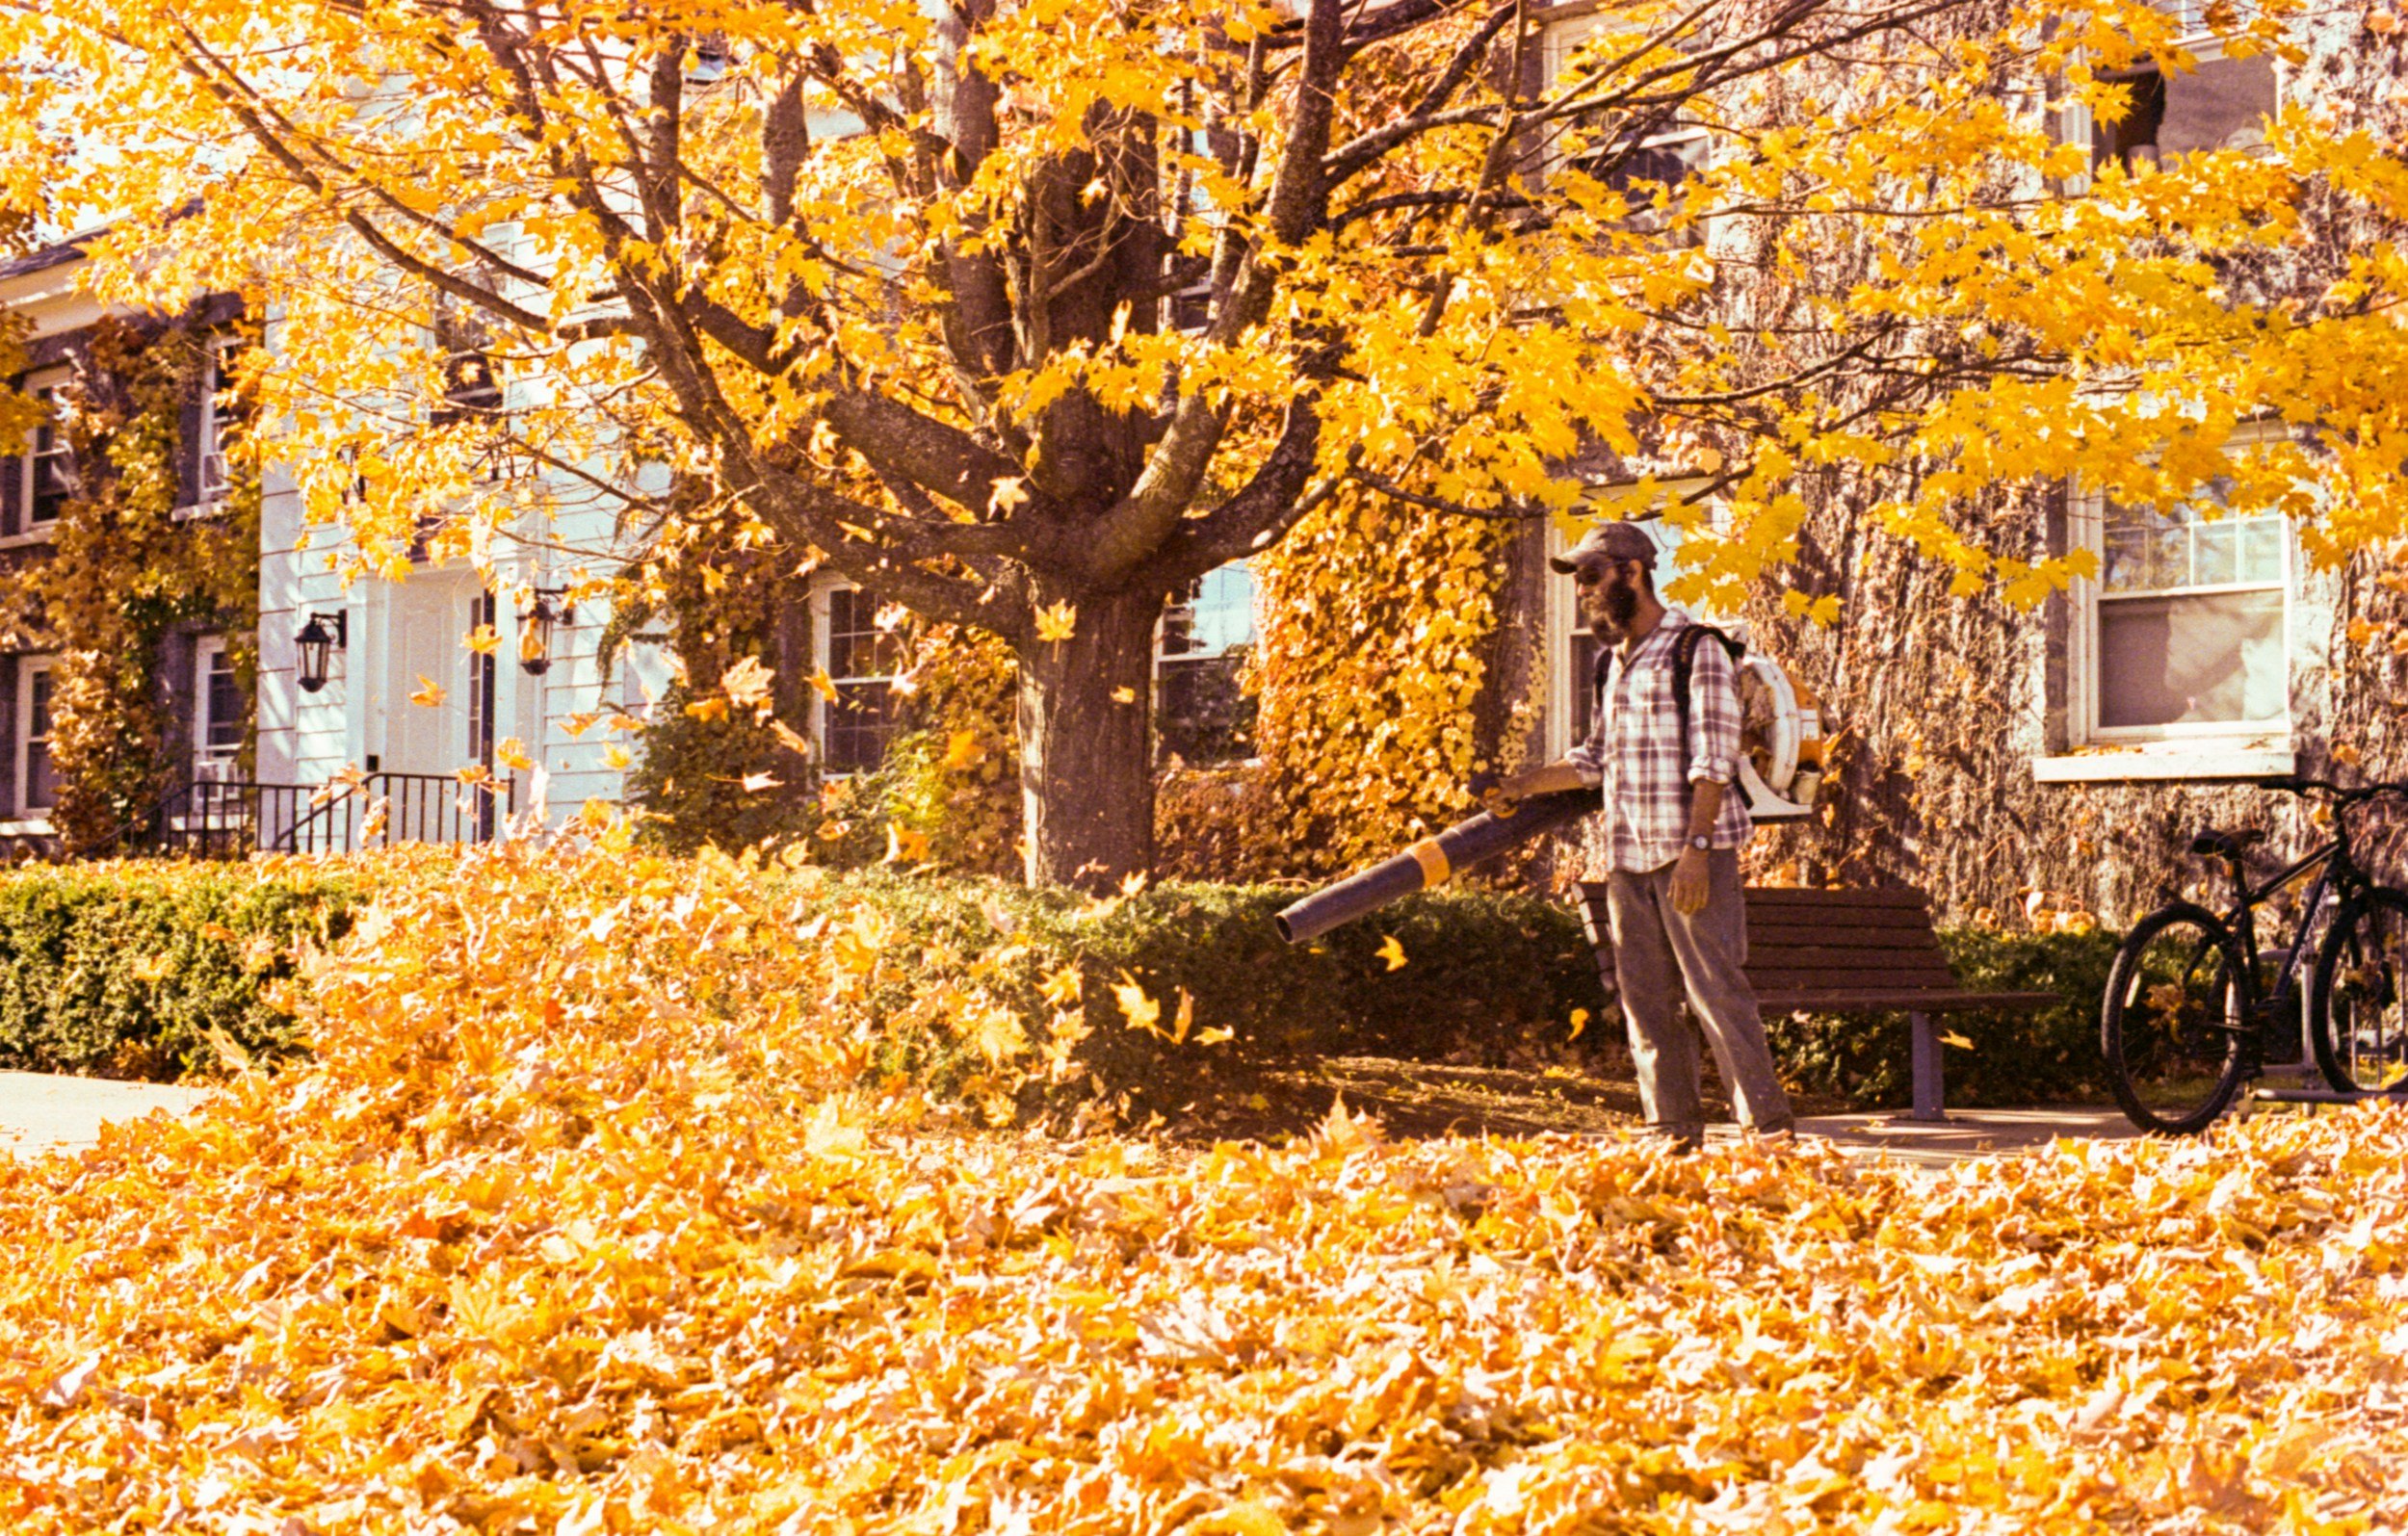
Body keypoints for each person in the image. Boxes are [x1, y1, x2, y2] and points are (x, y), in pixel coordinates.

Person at [1495, 521, 1794, 1150]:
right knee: (1647, 1004)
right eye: (1578, 580)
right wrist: (1522, 784)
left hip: (1690, 855)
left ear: (1631, 571)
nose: (1582, 591)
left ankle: (1768, 1133)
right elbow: (1594, 757)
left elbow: (1714, 759)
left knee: (1717, 994)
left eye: (1589, 577)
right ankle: (1672, 1131)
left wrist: (1697, 849)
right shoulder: (1615, 664)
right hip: (1628, 859)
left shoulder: (1697, 648)